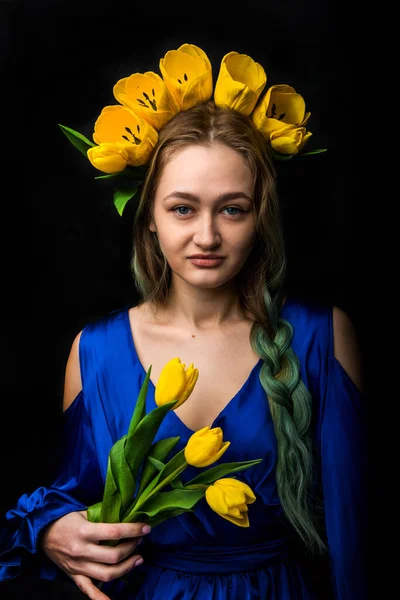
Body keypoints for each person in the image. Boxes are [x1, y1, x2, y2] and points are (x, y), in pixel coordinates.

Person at [0, 45, 366, 600]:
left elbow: (356, 531)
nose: (207, 237)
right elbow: (74, 497)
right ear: (148, 218)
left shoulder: (321, 337)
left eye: (232, 209)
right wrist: (52, 530)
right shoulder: (95, 352)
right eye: (183, 208)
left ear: (259, 218)